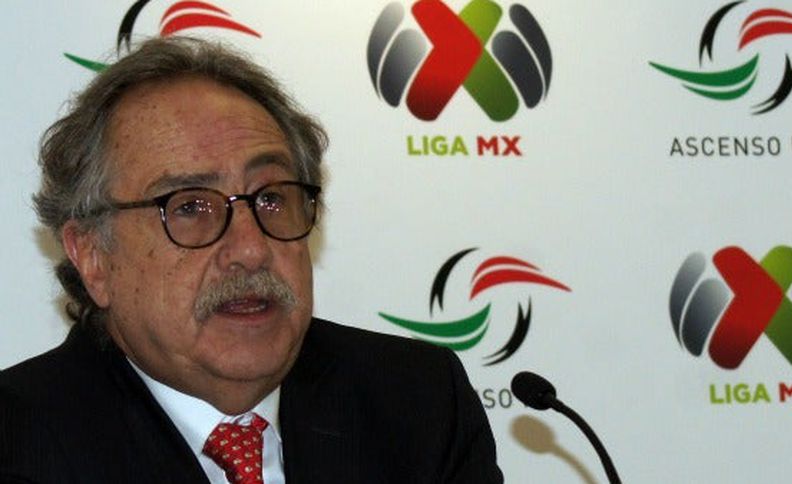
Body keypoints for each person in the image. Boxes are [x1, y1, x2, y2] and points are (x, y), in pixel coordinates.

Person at [0, 37, 503, 483]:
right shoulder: (19, 444)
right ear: (92, 256)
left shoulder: (417, 403)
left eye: (271, 198)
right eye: (190, 207)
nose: (250, 249)